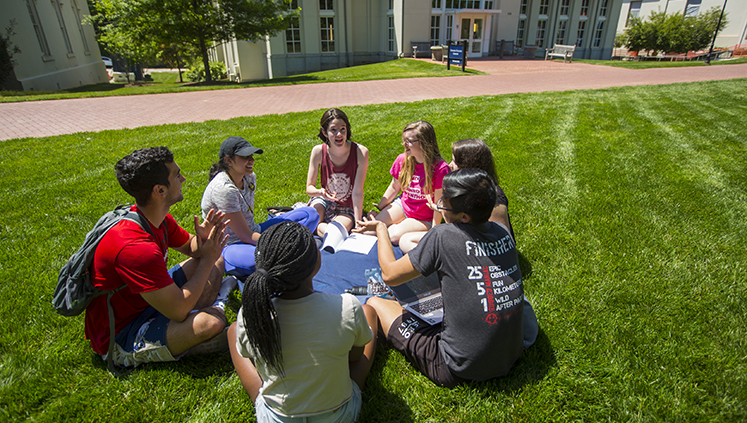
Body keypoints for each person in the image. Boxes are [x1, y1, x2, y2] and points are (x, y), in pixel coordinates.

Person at [355, 169, 524, 388]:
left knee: (376, 302)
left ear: (464, 217)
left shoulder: (443, 236)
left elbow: (389, 274)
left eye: (444, 202)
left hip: (458, 365)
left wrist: (381, 230)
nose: (439, 204)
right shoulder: (502, 232)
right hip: (510, 352)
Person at [84, 147, 232, 368]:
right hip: (123, 332)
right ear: (160, 190)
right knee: (210, 323)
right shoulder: (135, 248)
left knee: (214, 261)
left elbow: (191, 248)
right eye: (176, 175)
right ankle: (195, 326)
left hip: (149, 301)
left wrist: (203, 242)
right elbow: (179, 310)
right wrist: (208, 257)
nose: (183, 179)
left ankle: (190, 325)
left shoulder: (154, 218)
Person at [228, 222, 378, 422]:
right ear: (317, 264)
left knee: (232, 331)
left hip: (276, 417)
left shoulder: (249, 315)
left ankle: (262, 399)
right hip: (339, 416)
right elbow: (355, 357)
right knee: (369, 311)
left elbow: (252, 357)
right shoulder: (346, 307)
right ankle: (354, 389)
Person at [201, 136, 319, 285]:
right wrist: (281, 243)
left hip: (253, 231)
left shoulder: (249, 177)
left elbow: (250, 231)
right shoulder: (223, 189)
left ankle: (286, 246)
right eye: (245, 157)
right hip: (229, 246)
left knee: (310, 214)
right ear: (228, 161)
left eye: (252, 156)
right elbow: (245, 236)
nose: (251, 161)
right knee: (263, 261)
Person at [399, 138, 514, 252]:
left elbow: (503, 242)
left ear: (468, 165)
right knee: (406, 240)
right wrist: (437, 208)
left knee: (407, 241)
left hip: (476, 249)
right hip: (466, 238)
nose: (450, 165)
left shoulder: (495, 200)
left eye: (455, 161)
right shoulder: (468, 189)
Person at [368, 121, 449, 245]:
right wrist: (379, 208)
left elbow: (438, 204)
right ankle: (400, 225)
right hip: (403, 206)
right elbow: (394, 187)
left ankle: (408, 229)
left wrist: (434, 229)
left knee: (392, 236)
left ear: (424, 143)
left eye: (409, 141)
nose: (404, 144)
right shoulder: (403, 159)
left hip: (423, 217)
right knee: (370, 230)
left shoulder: (440, 169)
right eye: (404, 140)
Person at [306, 108, 369, 237]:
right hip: (323, 200)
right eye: (333, 130)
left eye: (343, 129)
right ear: (324, 132)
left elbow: (357, 192)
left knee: (336, 233)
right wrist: (321, 192)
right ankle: (318, 227)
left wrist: (358, 224)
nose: (339, 134)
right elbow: (309, 188)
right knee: (311, 219)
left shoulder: (360, 152)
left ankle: (322, 229)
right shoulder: (318, 151)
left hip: (347, 206)